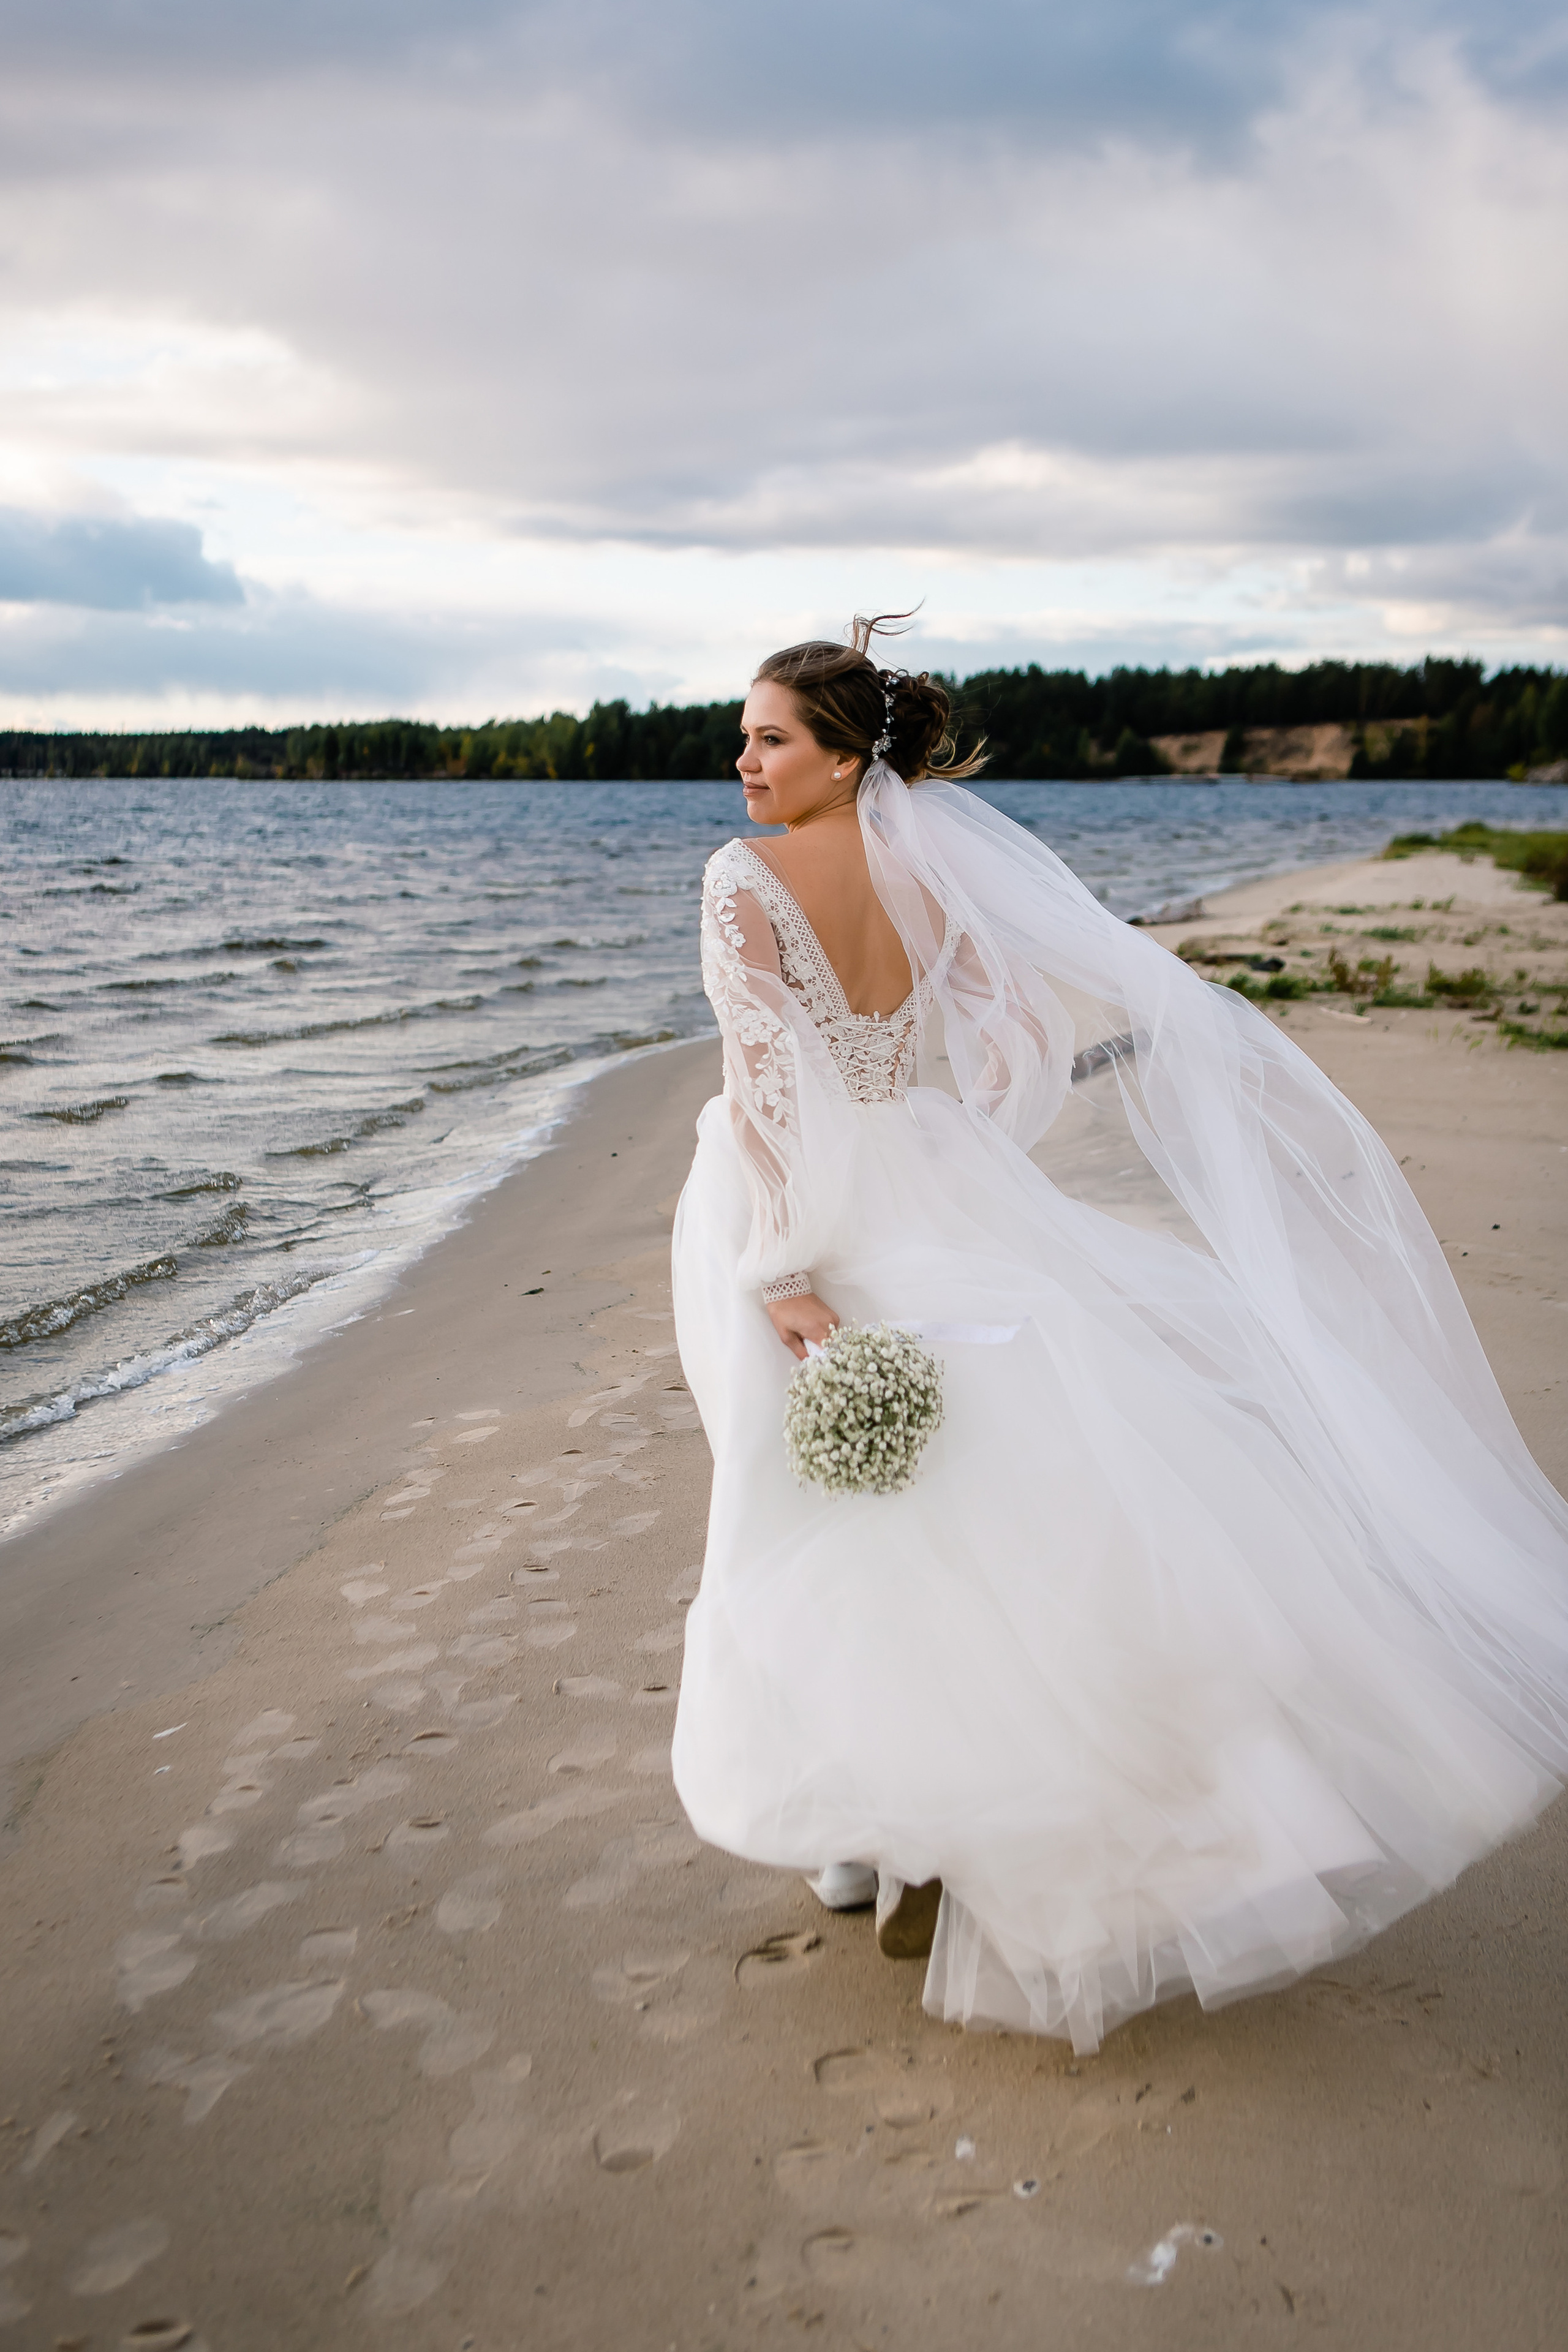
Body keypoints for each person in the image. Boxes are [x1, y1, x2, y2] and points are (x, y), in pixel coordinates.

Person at [669, 616, 1568, 2056]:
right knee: (956, 1491)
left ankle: (850, 1829)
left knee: (794, 1493)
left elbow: (764, 1075)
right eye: (747, 734)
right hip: (932, 1174)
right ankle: (899, 1814)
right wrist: (953, 1143)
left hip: (795, 1210)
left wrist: (781, 1269)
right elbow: (1013, 1036)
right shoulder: (926, 870)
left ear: (843, 759)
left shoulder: (738, 882)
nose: (745, 759)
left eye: (772, 735)